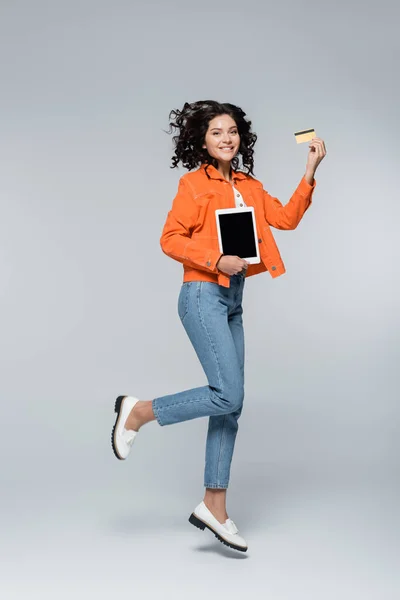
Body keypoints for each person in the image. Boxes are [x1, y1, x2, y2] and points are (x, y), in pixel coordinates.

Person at [111, 100, 326, 552]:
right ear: (202, 142)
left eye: (232, 131)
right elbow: (170, 238)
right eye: (216, 133)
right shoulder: (194, 184)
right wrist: (216, 259)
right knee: (228, 392)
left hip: (232, 299)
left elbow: (284, 219)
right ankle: (138, 411)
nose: (226, 138)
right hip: (202, 294)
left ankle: (215, 506)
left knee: (229, 406)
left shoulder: (249, 184)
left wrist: (309, 172)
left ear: (239, 138)